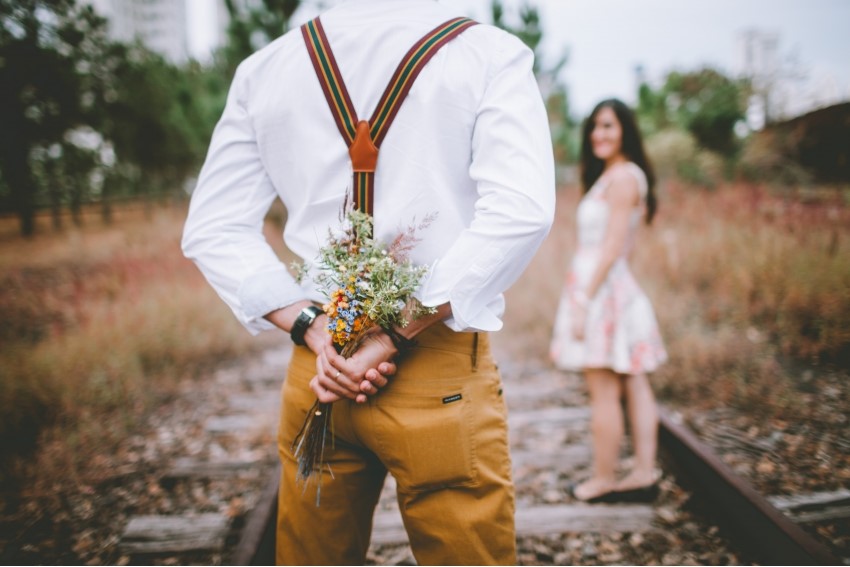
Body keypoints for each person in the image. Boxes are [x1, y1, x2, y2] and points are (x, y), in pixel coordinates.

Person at [182, 0, 555, 563]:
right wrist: (390, 335)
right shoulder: (486, 53)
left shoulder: (266, 69)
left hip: (321, 372)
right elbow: (521, 211)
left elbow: (213, 226)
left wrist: (313, 326)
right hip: (435, 366)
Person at [549, 98, 667, 504]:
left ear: (625, 131)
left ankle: (603, 479)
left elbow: (614, 245)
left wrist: (584, 299)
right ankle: (642, 473)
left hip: (600, 292)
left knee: (604, 389)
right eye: (595, 127)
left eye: (608, 126)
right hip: (610, 286)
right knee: (634, 381)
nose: (599, 134)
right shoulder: (617, 176)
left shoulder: (622, 179)